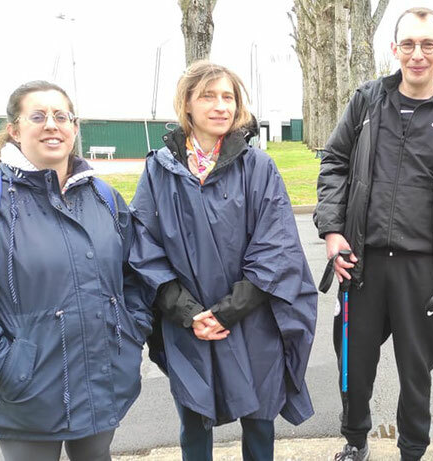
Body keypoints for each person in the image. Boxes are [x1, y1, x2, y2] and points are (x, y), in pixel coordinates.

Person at [314, 7, 433, 461]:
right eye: (408, 44)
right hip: (362, 263)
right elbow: (334, 162)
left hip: (425, 269)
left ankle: (412, 450)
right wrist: (332, 230)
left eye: (427, 44)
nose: (417, 54)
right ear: (394, 49)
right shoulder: (367, 101)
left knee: (417, 374)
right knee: (353, 365)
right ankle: (355, 440)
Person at [128, 61, 318, 461]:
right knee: (194, 420)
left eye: (228, 97)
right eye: (208, 96)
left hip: (251, 319)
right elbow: (143, 245)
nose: (220, 106)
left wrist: (227, 311)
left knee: (260, 420)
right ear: (187, 103)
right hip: (188, 323)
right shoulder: (159, 170)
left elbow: (276, 245)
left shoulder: (258, 167)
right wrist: (187, 312)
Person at [0, 81, 150, 461]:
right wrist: (2, 365)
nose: (51, 124)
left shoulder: (104, 197)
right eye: (38, 116)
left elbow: (133, 276)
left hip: (102, 377)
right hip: (26, 390)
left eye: (61, 116)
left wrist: (132, 332)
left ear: (74, 127)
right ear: (15, 130)